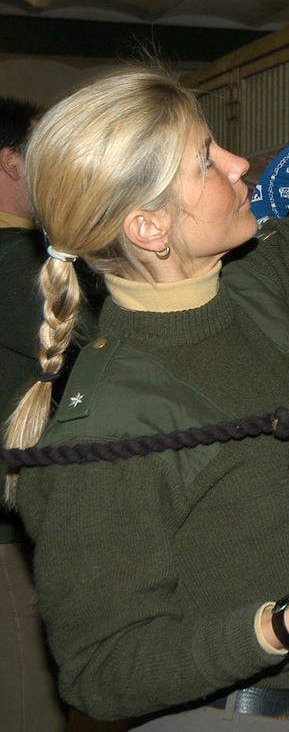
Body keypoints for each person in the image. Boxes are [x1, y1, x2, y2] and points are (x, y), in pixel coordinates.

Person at [3, 65, 289, 731]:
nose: (236, 163)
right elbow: (101, 670)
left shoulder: (257, 286)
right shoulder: (107, 427)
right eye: (204, 160)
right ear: (147, 229)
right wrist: (283, 625)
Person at [0, 96, 68, 732]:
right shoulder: (17, 259)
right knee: (29, 703)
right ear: (13, 163)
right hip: (9, 534)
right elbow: (90, 349)